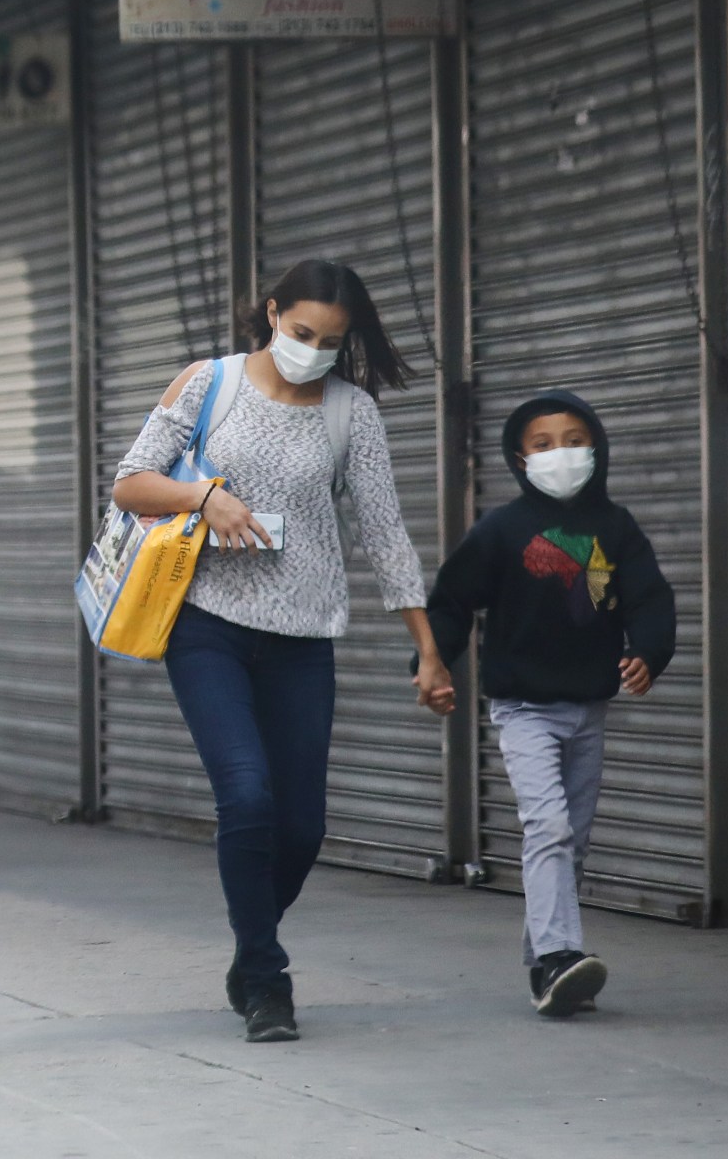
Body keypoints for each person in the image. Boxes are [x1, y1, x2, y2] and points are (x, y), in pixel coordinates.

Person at [111, 258, 453, 1044]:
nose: (313, 350)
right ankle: (265, 978)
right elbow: (130, 483)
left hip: (303, 636)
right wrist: (205, 495)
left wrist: (428, 651)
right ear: (271, 313)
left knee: (300, 829)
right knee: (248, 796)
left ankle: (248, 948)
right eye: (301, 333)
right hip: (206, 625)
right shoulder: (207, 383)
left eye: (331, 342)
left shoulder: (351, 413)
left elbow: (384, 534)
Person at [423, 392, 675, 1017]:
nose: (559, 453)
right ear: (519, 458)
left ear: (596, 450)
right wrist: (432, 663)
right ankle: (562, 954)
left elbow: (649, 598)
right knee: (550, 828)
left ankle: (546, 969)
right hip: (524, 708)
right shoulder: (502, 531)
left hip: (589, 709)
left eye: (573, 439)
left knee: (573, 842)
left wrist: (650, 651)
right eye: (543, 444)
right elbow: (452, 598)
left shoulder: (615, 528)